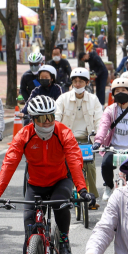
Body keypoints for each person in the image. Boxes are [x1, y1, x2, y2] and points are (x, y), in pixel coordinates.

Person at [0, 95, 94, 254]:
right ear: (33, 119)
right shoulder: (24, 135)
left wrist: (82, 189)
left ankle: (64, 240)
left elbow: (74, 160)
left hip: (60, 180)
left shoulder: (64, 132)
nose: (47, 122)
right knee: (29, 228)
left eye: (50, 117)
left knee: (60, 204)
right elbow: (9, 163)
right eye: (42, 119)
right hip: (35, 184)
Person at [55, 67, 103, 205]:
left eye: (81, 82)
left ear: (87, 83)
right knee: (65, 168)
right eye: (75, 81)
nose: (77, 84)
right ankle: (67, 194)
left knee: (90, 167)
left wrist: (98, 138)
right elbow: (56, 118)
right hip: (67, 140)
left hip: (87, 140)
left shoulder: (93, 100)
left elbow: (100, 120)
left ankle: (92, 198)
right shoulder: (63, 99)